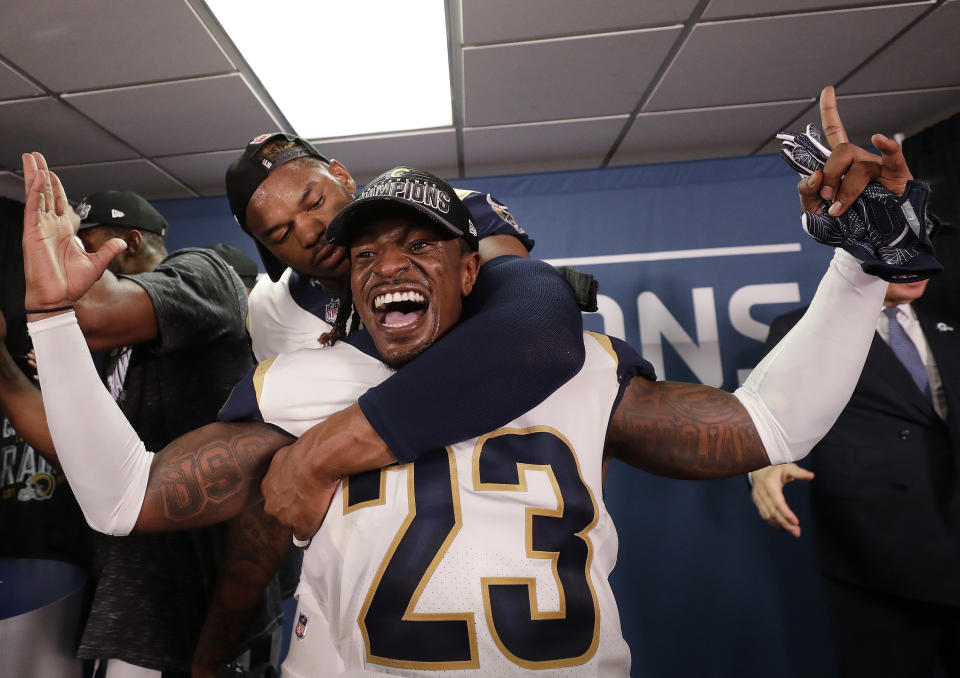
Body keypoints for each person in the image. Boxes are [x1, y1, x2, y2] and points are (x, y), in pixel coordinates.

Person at [25, 93, 907, 672]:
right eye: (361, 253)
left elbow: (769, 426)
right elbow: (122, 499)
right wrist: (54, 326)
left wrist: (861, 272)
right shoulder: (296, 383)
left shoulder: (568, 362)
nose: (378, 265)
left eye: (417, 246)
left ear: (473, 266)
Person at [0, 161, 278, 678]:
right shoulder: (110, 350)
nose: (75, 263)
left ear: (130, 242)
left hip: (191, 601)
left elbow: (95, 311)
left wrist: (53, 300)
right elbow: (70, 448)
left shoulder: (208, 274)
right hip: (126, 599)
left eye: (87, 249)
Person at [749, 275, 960, 677]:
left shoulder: (948, 319)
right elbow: (766, 419)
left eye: (924, 247)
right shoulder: (801, 330)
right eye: (901, 250)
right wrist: (764, 466)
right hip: (873, 559)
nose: (919, 263)